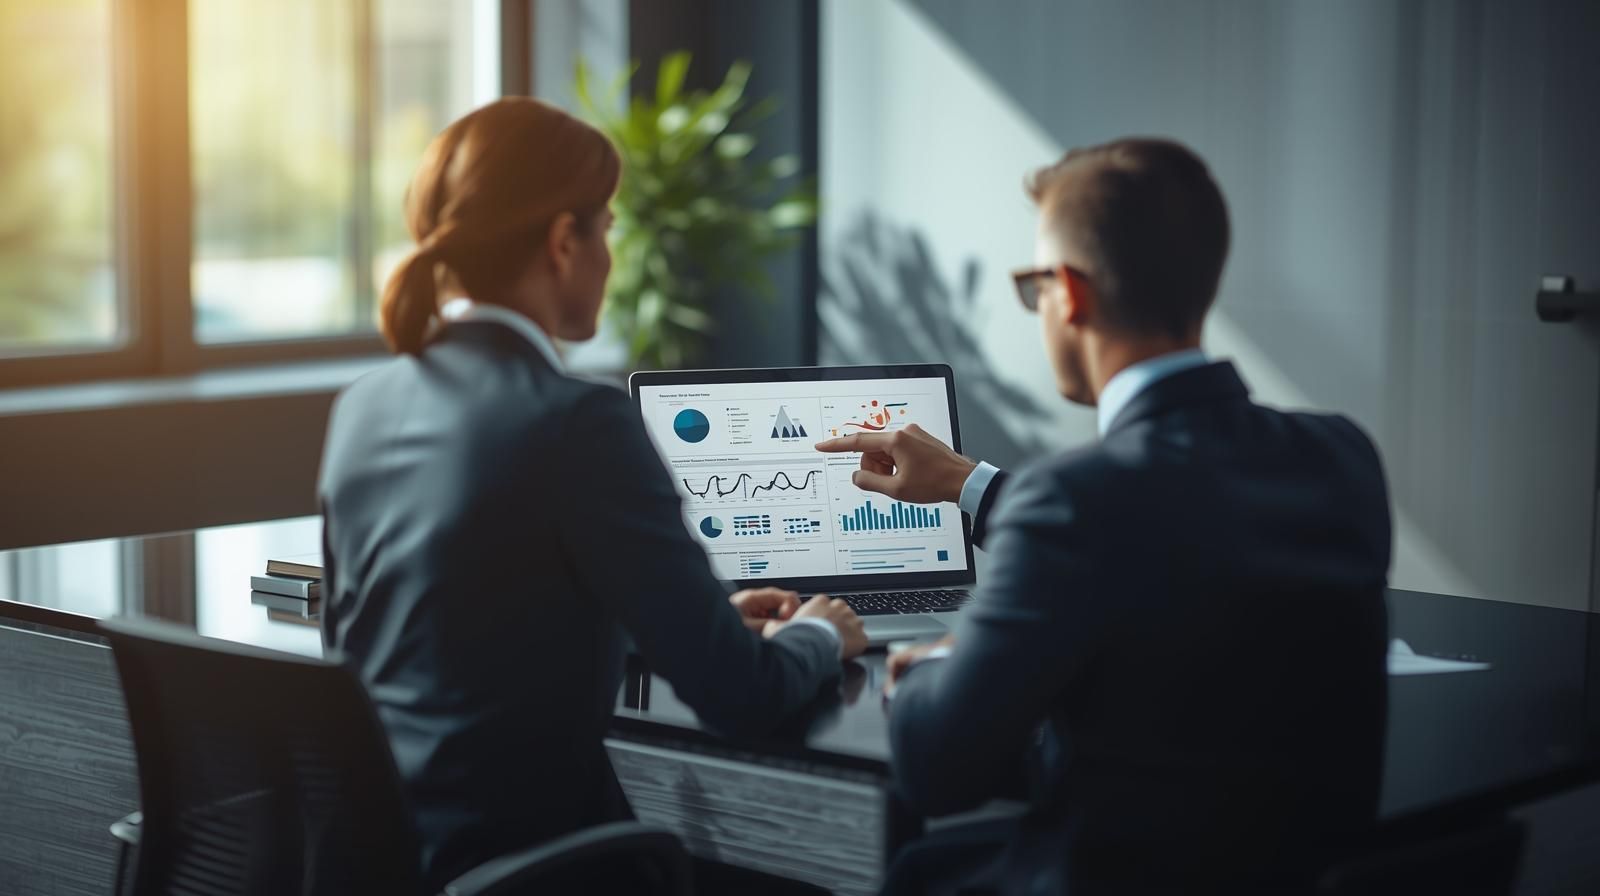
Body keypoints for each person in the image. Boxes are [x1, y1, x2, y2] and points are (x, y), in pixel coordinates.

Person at [317, 98, 866, 891]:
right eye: (606, 228)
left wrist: (677, 619)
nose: (611, 252)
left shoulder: (363, 406)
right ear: (562, 241)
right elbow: (741, 698)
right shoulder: (578, 423)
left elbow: (430, 632)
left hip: (394, 864)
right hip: (530, 871)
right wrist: (816, 636)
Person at [817, 139, 1392, 894]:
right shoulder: (1341, 455)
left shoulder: (1075, 499)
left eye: (1034, 287)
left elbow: (935, 772)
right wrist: (973, 486)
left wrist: (934, 664)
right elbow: (1177, 544)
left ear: (1071, 294)